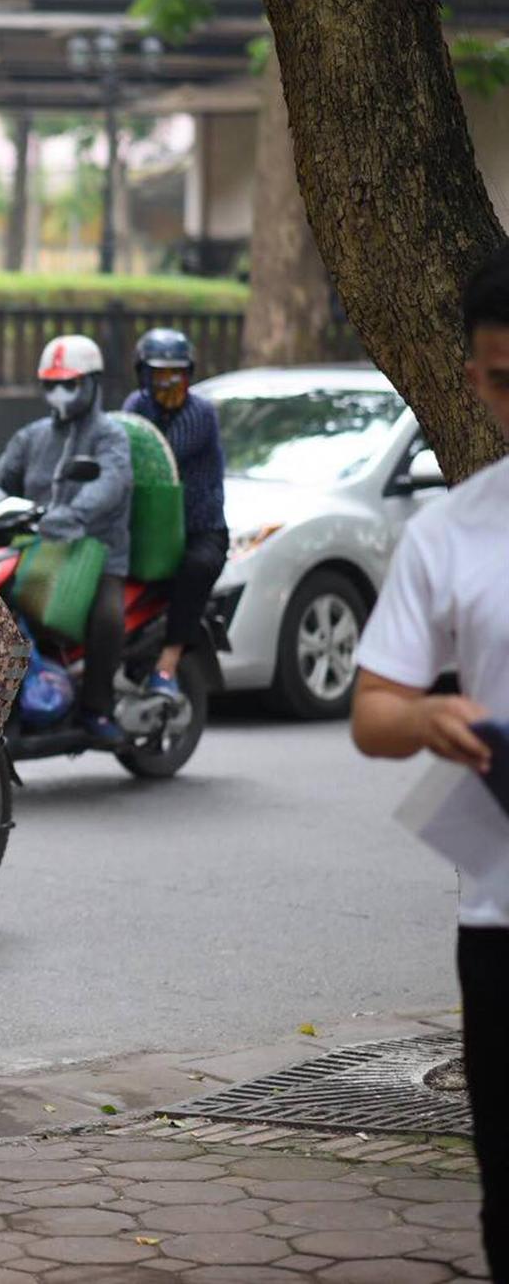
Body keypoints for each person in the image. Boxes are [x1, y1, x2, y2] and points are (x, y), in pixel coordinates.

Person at [351, 248, 509, 1282]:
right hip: (500, 914)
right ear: (471, 378)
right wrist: (425, 716)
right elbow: (373, 711)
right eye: (503, 379)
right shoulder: (451, 531)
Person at [0, 334, 134, 746]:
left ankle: (97, 709)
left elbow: (112, 483)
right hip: (35, 549)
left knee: (108, 617)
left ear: (92, 383)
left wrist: (74, 513)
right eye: (51, 384)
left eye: (69, 383)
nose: (59, 392)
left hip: (97, 553)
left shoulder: (110, 437)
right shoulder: (33, 436)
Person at [122, 328, 227, 700]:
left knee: (197, 566)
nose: (168, 383)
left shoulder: (201, 413)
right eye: (159, 375)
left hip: (199, 530)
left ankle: (167, 665)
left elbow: (156, 451)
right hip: (148, 529)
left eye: (176, 375)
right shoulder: (135, 405)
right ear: (143, 375)